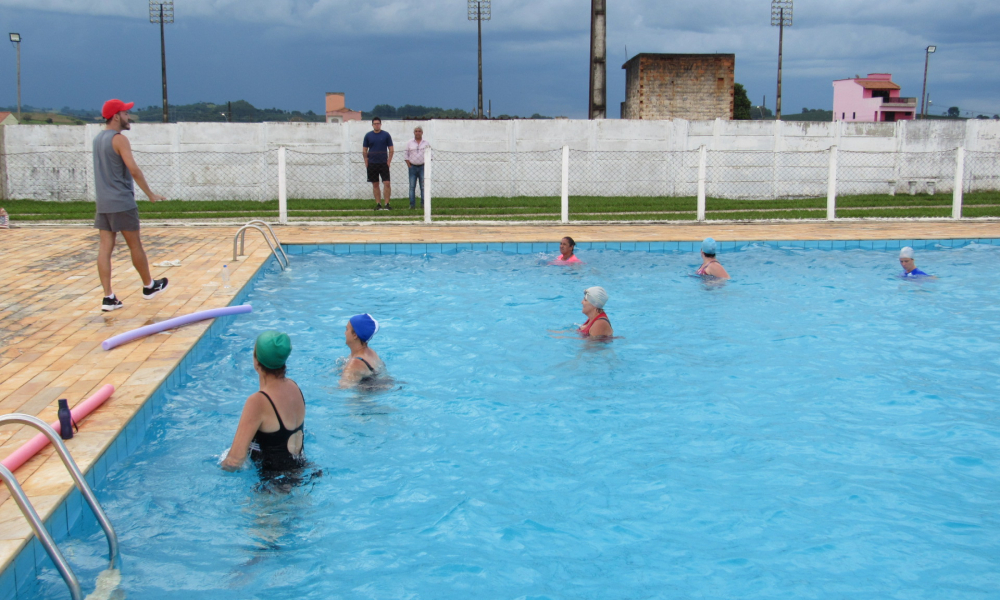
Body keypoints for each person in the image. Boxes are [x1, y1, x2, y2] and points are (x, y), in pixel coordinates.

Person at [94, 99, 168, 312]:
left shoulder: (98, 139)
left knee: (105, 249)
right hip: (122, 202)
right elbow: (133, 169)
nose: (129, 117)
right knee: (135, 245)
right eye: (126, 113)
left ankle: (108, 297)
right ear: (116, 116)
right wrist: (150, 194)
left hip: (103, 203)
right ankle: (149, 286)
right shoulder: (119, 139)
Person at [222, 331, 306, 474]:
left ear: (256, 361)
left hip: (273, 490)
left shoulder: (258, 402)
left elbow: (235, 461)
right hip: (303, 474)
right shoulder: (294, 387)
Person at [341, 314, 385, 387]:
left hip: (365, 396)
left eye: (347, 330)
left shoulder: (355, 364)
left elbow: (343, 389)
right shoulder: (371, 352)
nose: (345, 333)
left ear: (355, 335)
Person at [363, 118, 394, 211]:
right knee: (375, 184)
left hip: (383, 163)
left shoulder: (386, 135)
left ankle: (387, 203)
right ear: (372, 125)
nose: (376, 125)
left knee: (387, 183)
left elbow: (391, 149)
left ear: (381, 124)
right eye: (375, 124)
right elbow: (364, 150)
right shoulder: (368, 136)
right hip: (372, 163)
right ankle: (378, 204)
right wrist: (366, 161)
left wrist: (389, 161)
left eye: (378, 123)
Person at [404, 126, 430, 210]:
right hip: (412, 167)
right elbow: (406, 155)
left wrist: (426, 166)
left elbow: (430, 156)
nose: (417, 132)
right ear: (414, 133)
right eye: (416, 131)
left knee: (423, 187)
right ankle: (412, 205)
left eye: (419, 131)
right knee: (412, 187)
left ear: (422, 133)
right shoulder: (409, 143)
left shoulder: (426, 143)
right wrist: (409, 165)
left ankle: (423, 205)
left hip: (423, 167)